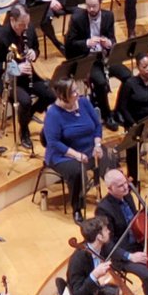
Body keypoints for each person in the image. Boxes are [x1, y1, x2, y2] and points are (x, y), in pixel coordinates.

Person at [0, 4, 55, 153]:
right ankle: (24, 131)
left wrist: (33, 53)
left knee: (51, 94)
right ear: (12, 20)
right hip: (8, 80)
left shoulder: (28, 29)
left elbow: (36, 48)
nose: (25, 28)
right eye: (21, 25)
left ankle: (28, 115)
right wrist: (15, 69)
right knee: (24, 101)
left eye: (27, 24)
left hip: (28, 76)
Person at [43, 79, 108, 222]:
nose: (77, 93)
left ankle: (111, 197)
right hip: (63, 155)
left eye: (76, 89)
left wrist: (97, 145)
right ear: (62, 95)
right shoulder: (53, 113)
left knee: (107, 156)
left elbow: (97, 126)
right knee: (77, 170)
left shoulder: (84, 102)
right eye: (73, 91)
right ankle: (77, 208)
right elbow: (53, 143)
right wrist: (77, 155)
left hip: (89, 148)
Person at [65, 0, 133, 121]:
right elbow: (69, 44)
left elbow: (112, 39)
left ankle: (119, 109)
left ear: (100, 4)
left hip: (105, 56)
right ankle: (107, 114)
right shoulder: (77, 18)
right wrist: (86, 42)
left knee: (128, 77)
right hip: (88, 59)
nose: (90, 9)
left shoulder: (108, 16)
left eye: (94, 6)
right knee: (101, 83)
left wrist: (109, 43)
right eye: (88, 6)